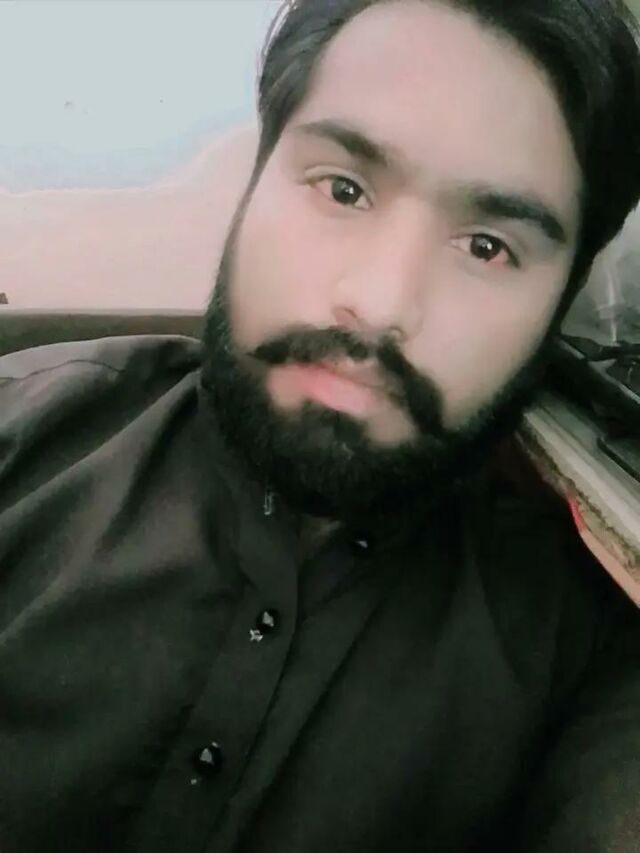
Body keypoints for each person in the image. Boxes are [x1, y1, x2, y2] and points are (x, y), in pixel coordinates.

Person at [1, 1, 639, 850]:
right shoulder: (23, 429)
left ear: (560, 302)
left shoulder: (578, 650)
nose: (379, 303)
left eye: (487, 246)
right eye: (344, 189)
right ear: (255, 180)